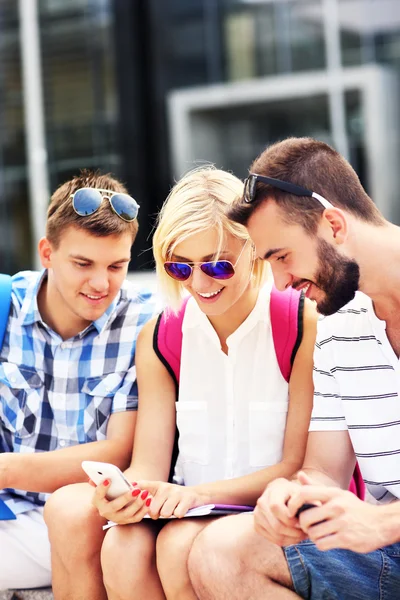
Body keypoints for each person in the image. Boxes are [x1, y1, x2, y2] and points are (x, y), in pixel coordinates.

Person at [44, 166, 317, 600]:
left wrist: (193, 496)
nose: (200, 283)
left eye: (219, 265)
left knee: (175, 547)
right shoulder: (160, 337)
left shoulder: (300, 323)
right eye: (180, 267)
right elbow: (149, 466)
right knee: (122, 545)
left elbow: (297, 467)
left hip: (271, 510)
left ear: (253, 250)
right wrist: (123, 496)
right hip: (188, 507)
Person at [187, 137, 400, 600]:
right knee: (220, 553)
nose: (280, 283)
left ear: (334, 225)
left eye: (282, 257)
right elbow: (325, 471)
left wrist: (384, 521)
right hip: (391, 552)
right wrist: (290, 499)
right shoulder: (338, 323)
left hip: (389, 530)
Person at [0, 170, 157, 591]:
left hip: (88, 520)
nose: (101, 283)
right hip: (9, 512)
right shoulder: (4, 306)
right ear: (47, 253)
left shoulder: (144, 325)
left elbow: (120, 450)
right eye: (82, 263)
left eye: (117, 265)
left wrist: (6, 469)